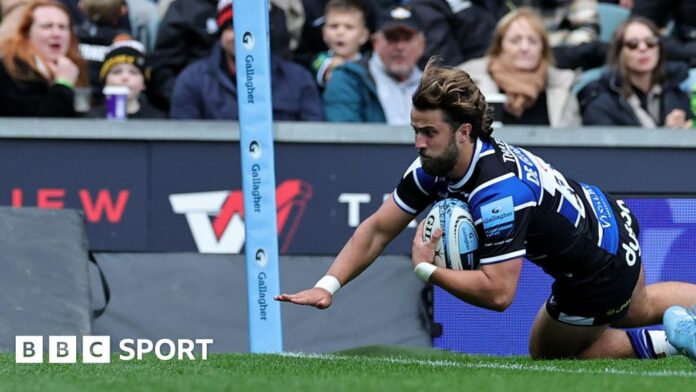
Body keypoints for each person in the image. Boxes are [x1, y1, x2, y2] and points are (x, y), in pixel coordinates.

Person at [276, 57, 696, 362]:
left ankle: (669, 343)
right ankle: (681, 329)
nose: (418, 142)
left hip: (597, 267)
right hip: (609, 214)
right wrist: (328, 286)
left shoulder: (497, 193)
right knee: (636, 307)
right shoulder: (436, 164)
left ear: (463, 131)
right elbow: (378, 229)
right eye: (415, 130)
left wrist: (427, 269)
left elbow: (500, 294)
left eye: (428, 132)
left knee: (549, 353)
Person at [169, 0, 323, 121]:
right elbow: (185, 142)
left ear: (266, 33)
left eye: (251, 28)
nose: (243, 37)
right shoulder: (192, 80)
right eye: (232, 28)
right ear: (220, 35)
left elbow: (313, 137)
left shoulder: (298, 79)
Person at [459, 8, 581, 127]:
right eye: (515, 40)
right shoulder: (468, 82)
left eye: (532, 41)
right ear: (499, 47)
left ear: (543, 49)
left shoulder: (562, 86)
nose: (524, 48)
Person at [322, 4, 425, 124]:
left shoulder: (437, 86)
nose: (400, 47)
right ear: (376, 42)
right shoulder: (348, 79)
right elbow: (344, 137)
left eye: (407, 38)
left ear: (422, 44)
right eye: (392, 38)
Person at [581, 17, 692, 128]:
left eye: (650, 42)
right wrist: (668, 137)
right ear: (619, 52)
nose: (643, 48)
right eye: (633, 44)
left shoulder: (677, 92)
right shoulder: (600, 101)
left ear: (659, 49)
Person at [0, 0, 89, 117]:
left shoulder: (75, 68)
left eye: (62, 27)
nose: (56, 33)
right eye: (47, 26)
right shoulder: (10, 70)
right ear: (27, 34)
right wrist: (63, 85)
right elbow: (39, 128)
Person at [88, 38, 165, 119]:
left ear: (144, 83)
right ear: (105, 80)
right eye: (117, 72)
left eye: (133, 72)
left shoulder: (157, 119)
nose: (125, 77)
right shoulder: (90, 119)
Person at [311, 0, 369, 88]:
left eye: (349, 27)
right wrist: (330, 69)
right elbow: (321, 73)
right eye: (334, 26)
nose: (340, 32)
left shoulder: (370, 63)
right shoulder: (319, 59)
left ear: (363, 36)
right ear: (324, 33)